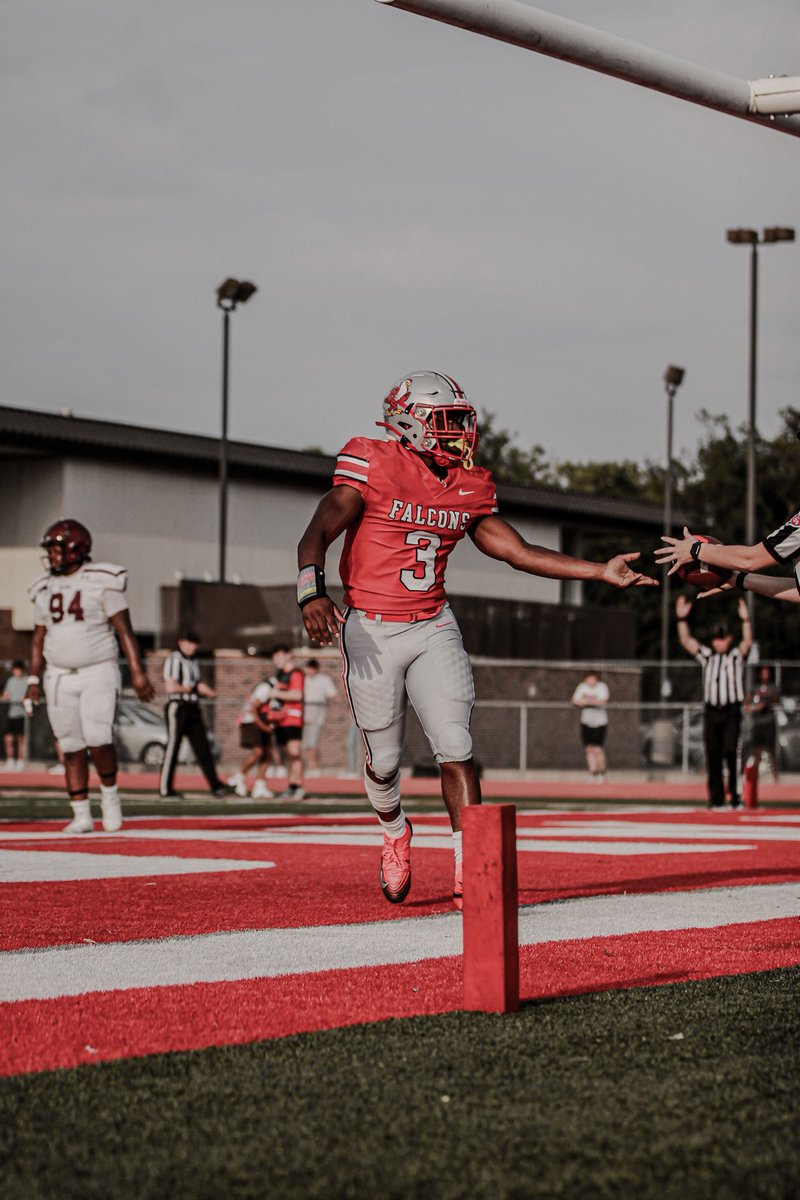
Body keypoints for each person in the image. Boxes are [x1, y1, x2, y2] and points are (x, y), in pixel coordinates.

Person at [296, 370, 656, 909]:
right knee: (384, 761)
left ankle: (473, 869)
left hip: (432, 623)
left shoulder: (468, 485)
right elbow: (318, 529)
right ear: (409, 422)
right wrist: (311, 591)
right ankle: (395, 831)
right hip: (369, 625)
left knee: (457, 746)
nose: (460, 433)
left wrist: (598, 572)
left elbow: (517, 550)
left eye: (461, 421)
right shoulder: (373, 462)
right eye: (447, 422)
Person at [25, 518, 154, 833]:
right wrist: (31, 679)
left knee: (98, 738)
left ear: (76, 548)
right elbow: (38, 638)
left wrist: (137, 672)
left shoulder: (103, 579)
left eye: (57, 549)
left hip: (98, 669)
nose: (52, 556)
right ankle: (81, 813)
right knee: (69, 745)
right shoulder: (43, 586)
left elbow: (125, 631)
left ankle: (110, 797)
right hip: (57, 675)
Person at [673, 594, 752, 810]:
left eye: (723, 637)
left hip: (731, 711)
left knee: (731, 752)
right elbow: (687, 642)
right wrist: (681, 619)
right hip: (711, 711)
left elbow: (747, 644)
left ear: (729, 639)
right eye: (716, 638)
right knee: (713, 754)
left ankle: (736, 797)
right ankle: (716, 799)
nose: (719, 641)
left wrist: (746, 620)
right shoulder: (707, 656)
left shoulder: (736, 656)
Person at [159, 631, 234, 800]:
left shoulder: (193, 661)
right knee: (173, 748)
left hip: (193, 707)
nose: (193, 646)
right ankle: (166, 788)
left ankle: (216, 786)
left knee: (203, 748)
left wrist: (206, 691)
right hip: (178, 708)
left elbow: (197, 683)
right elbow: (171, 687)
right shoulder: (174, 659)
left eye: (195, 643)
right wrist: (193, 689)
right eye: (190, 642)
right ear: (181, 643)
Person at [228, 671, 278, 799]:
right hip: (251, 722)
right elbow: (252, 708)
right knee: (258, 752)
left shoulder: (274, 689)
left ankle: (259, 785)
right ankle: (237, 778)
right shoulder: (267, 687)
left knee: (267, 754)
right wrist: (263, 726)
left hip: (260, 722)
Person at [268, 645, 305, 799]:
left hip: (292, 719)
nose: (276, 660)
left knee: (294, 752)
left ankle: (299, 786)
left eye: (279, 656)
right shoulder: (280, 675)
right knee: (288, 755)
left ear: (288, 655)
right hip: (280, 720)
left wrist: (276, 693)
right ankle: (292, 785)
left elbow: (297, 695)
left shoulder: (295, 674)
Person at [571, 669, 609, 783]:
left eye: (593, 678)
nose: (591, 680)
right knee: (589, 749)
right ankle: (592, 772)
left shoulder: (602, 687)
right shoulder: (582, 687)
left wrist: (586, 701)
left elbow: (603, 701)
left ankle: (601, 772)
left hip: (600, 722)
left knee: (597, 749)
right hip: (586, 721)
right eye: (589, 678)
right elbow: (575, 700)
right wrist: (590, 702)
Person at [301, 658, 338, 775]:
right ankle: (311, 766)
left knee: (312, 743)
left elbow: (333, 694)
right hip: (303, 715)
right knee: (305, 744)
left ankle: (314, 767)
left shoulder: (324, 680)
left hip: (317, 714)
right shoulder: (303, 679)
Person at [745, 665, 781, 782]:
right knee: (756, 751)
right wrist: (747, 705)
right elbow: (748, 699)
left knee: (772, 751)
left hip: (769, 723)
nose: (765, 675)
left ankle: (775, 777)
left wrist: (765, 703)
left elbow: (776, 699)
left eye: (767, 672)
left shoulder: (773, 687)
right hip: (758, 723)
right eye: (763, 672)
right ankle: (755, 777)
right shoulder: (755, 687)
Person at [2, 661, 29, 770]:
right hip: (11, 714)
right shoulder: (11, 681)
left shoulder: (27, 681)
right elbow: (6, 695)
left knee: (21, 738)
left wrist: (26, 698)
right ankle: (10, 760)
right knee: (8, 738)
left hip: (22, 715)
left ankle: (20, 761)